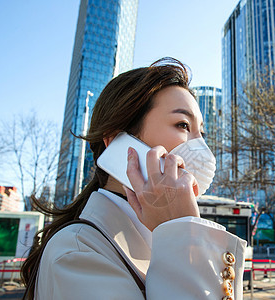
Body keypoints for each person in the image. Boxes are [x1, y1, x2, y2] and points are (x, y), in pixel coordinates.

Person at [21, 58, 246, 300]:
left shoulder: (155, 236)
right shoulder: (77, 252)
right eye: (182, 124)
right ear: (117, 142)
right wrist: (182, 231)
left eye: (200, 132)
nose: (200, 146)